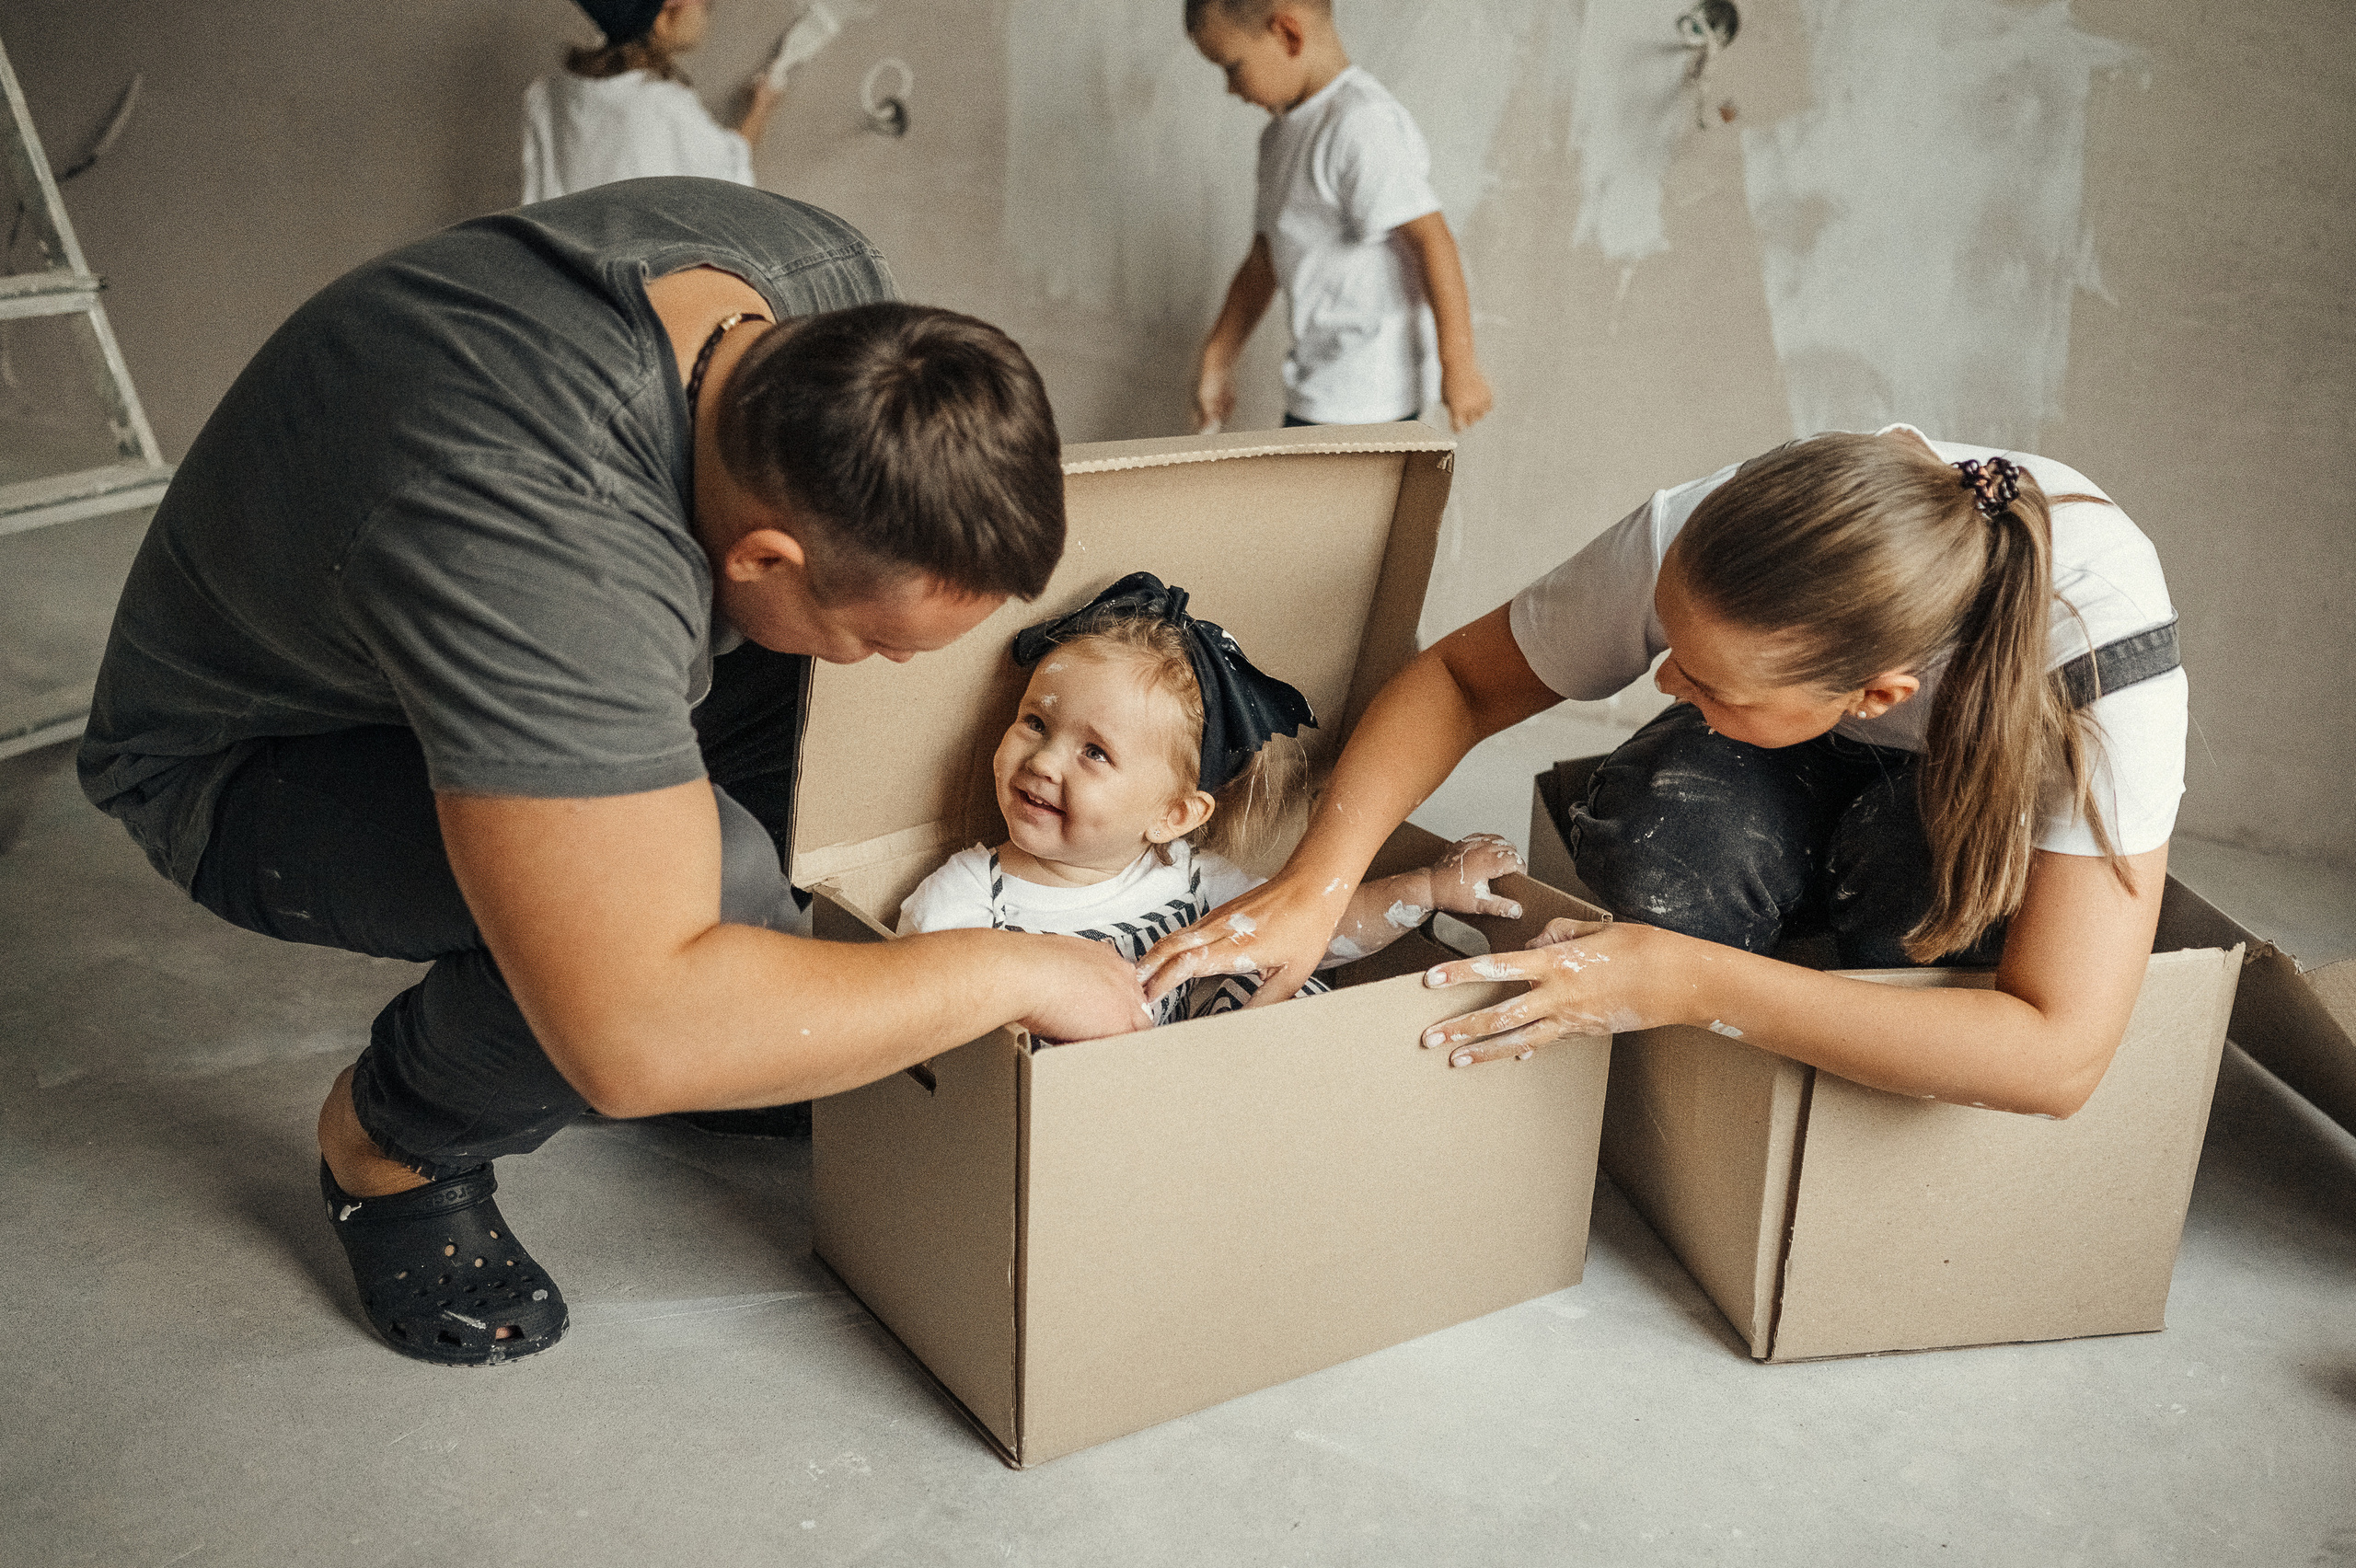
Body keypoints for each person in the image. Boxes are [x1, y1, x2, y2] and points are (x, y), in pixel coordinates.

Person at [78, 178, 1147, 1366]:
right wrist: (1017, 969)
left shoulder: (819, 289)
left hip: (461, 623)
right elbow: (632, 1038)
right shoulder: (534, 539)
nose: (898, 667)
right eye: (886, 639)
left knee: (810, 744)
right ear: (761, 557)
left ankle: (752, 993)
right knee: (715, 901)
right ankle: (389, 1147)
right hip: (257, 756)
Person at [1137, 427, 2186, 1117]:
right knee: (1661, 842)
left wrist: (1689, 982)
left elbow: (2058, 1055)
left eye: (1711, 680)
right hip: (1799, 736)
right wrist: (1316, 886)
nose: (1663, 680)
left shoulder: (2098, 674)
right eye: (1669, 646)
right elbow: (1462, 679)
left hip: (1963, 784)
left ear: (1878, 695)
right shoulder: (1721, 532)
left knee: (1911, 906)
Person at [897, 573, 1525, 1021]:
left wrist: (1426, 892)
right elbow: (915, 1010)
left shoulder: (1194, 884)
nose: (1043, 761)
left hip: (1206, 1116)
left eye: (1095, 753)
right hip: (1065, 1134)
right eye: (1035, 722)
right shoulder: (970, 897)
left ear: (1174, 816)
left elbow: (1314, 932)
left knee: (1268, 985)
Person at [1184, 0, 1495, 434]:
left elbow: (1431, 238)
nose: (1230, 89)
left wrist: (1458, 366)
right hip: (1317, 384)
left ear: (1288, 35)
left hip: (1373, 393)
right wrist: (1217, 356)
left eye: (1232, 66)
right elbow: (1262, 263)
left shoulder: (1360, 123)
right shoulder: (1277, 139)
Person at [523, 0, 784, 204]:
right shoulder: (663, 105)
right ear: (662, 17)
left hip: (558, 269)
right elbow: (729, 182)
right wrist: (761, 107)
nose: (707, 12)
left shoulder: (544, 95)